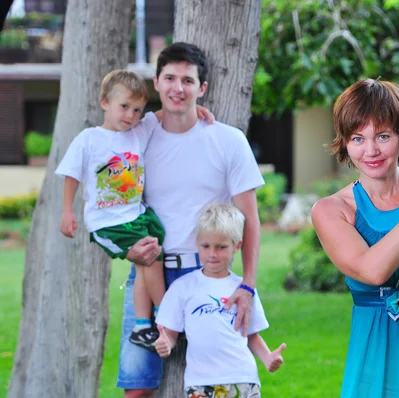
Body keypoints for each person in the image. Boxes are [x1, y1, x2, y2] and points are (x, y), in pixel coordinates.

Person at [117, 42, 264, 398]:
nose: (177, 88)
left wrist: (246, 285)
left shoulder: (228, 140)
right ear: (156, 82)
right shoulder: (138, 136)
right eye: (169, 78)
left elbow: (250, 219)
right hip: (149, 271)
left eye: (187, 80)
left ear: (203, 89)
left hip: (209, 275)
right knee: (137, 386)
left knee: (216, 381)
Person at [311, 79, 399, 397]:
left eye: (383, 136)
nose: (371, 150)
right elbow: (373, 271)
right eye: (358, 138)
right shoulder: (332, 210)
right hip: (375, 350)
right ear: (344, 143)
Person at [55, 70, 168, 352]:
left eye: (138, 110)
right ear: (105, 102)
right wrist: (67, 211)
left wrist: (199, 109)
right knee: (151, 260)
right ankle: (168, 318)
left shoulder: (138, 133)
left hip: (137, 215)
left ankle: (143, 325)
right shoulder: (89, 139)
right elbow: (71, 175)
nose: (131, 115)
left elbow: (165, 113)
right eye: (124, 107)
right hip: (108, 223)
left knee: (150, 260)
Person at [155, 203, 286, 398]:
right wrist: (166, 342)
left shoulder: (244, 291)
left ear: (237, 246)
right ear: (197, 243)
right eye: (206, 246)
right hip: (200, 383)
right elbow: (171, 334)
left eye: (221, 247)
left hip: (242, 379)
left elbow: (251, 335)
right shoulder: (183, 288)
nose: (212, 254)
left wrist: (267, 358)